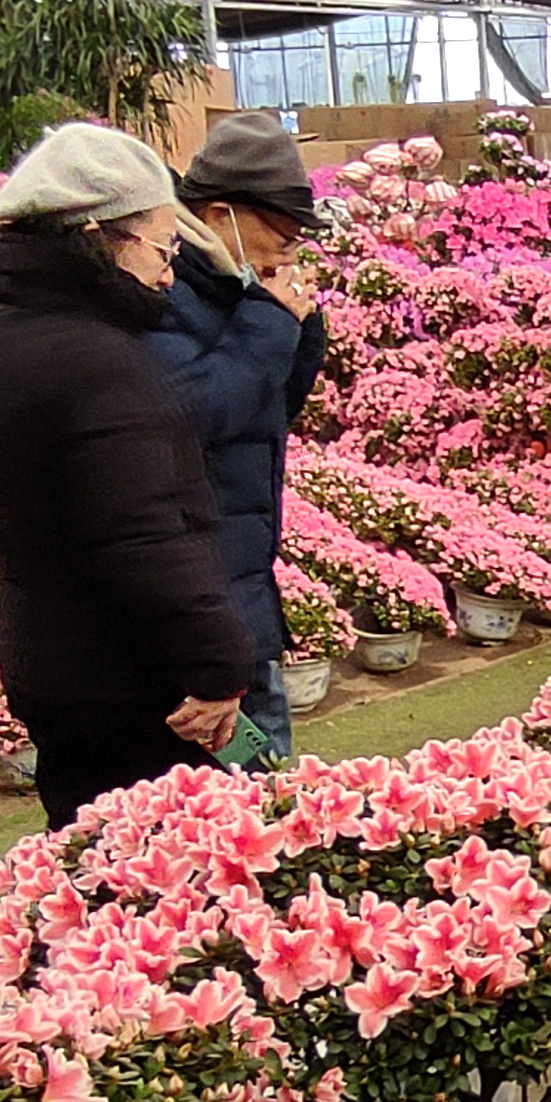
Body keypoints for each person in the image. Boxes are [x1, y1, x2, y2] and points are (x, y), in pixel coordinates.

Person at [0, 123, 252, 830]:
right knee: (159, 896)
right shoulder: (95, 360)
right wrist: (216, 665)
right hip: (131, 682)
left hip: (55, 665)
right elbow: (142, 532)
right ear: (99, 237)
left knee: (87, 867)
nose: (169, 273)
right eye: (161, 247)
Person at [150, 112, 331, 762]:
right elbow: (190, 421)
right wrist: (265, 322)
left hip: (241, 610)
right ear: (221, 212)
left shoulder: (236, 290)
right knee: (240, 829)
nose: (286, 256)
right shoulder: (165, 293)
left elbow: (267, 416)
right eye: (280, 237)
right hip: (204, 627)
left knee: (272, 811)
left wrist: (300, 330)